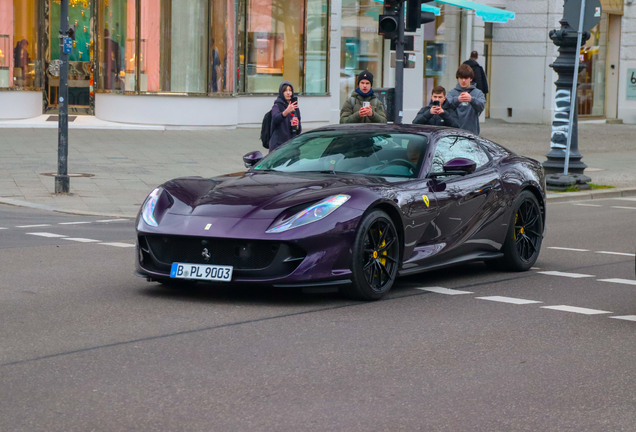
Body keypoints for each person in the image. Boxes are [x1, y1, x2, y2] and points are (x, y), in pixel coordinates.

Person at [446, 64, 486, 135]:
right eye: (461, 78)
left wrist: (471, 100)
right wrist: (457, 100)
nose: (463, 81)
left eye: (466, 78)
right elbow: (446, 107)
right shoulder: (452, 93)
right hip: (455, 133)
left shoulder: (478, 93)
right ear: (458, 78)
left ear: (471, 79)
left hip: (472, 133)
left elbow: (481, 107)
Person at [269, 81, 301, 152]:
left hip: (292, 145)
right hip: (279, 146)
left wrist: (297, 125)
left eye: (290, 90)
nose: (288, 93)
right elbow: (275, 119)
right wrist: (286, 112)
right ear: (281, 92)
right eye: (285, 90)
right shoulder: (277, 106)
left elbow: (299, 130)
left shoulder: (294, 106)